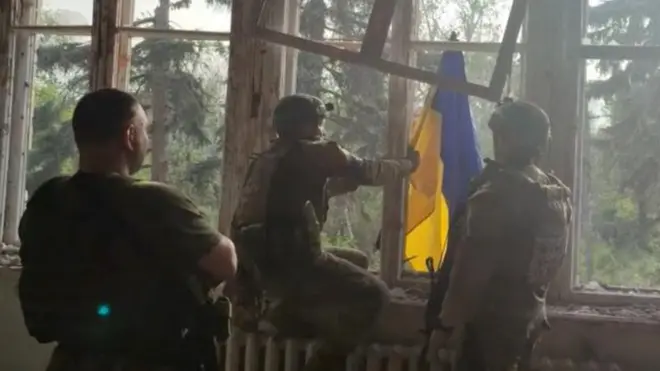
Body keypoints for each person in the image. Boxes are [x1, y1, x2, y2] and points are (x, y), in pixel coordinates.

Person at [18, 88, 237, 371]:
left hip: (71, 358)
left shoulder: (49, 197)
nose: (146, 139)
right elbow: (224, 263)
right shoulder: (152, 199)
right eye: (144, 130)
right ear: (130, 135)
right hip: (147, 360)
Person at [231, 94, 419, 371]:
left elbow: (289, 200)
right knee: (375, 293)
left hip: (265, 267)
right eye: (318, 122)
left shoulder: (266, 160)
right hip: (296, 260)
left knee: (358, 261)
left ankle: (283, 313)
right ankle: (325, 361)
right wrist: (407, 165)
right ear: (306, 125)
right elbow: (370, 171)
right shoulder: (314, 151)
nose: (321, 128)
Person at [425, 100, 572, 371]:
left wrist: (444, 326)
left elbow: (469, 276)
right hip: (529, 319)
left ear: (507, 138)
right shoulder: (554, 192)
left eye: (499, 135)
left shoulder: (495, 197)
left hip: (488, 326)